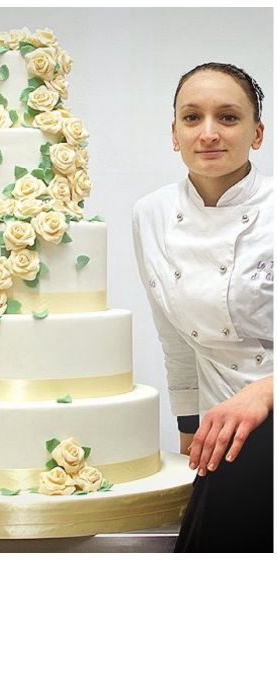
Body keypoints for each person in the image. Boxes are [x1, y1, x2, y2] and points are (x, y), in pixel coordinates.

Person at [132, 62, 273, 552]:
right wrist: (190, 429)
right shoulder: (150, 214)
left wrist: (265, 392)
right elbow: (174, 339)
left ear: (256, 133)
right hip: (224, 421)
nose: (208, 133)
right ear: (174, 134)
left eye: (228, 118)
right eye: (192, 118)